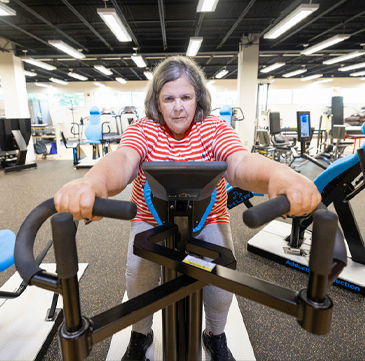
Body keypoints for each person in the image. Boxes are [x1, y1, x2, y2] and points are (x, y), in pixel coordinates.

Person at [54, 55, 321, 361]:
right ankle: (140, 334)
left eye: (185, 97)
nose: (178, 106)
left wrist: (280, 175)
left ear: (198, 98)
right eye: (169, 98)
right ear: (157, 100)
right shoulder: (143, 128)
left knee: (222, 281)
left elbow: (239, 162)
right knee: (138, 278)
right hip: (149, 214)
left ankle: (215, 334)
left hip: (209, 216)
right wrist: (92, 184)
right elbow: (124, 160)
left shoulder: (213, 128)